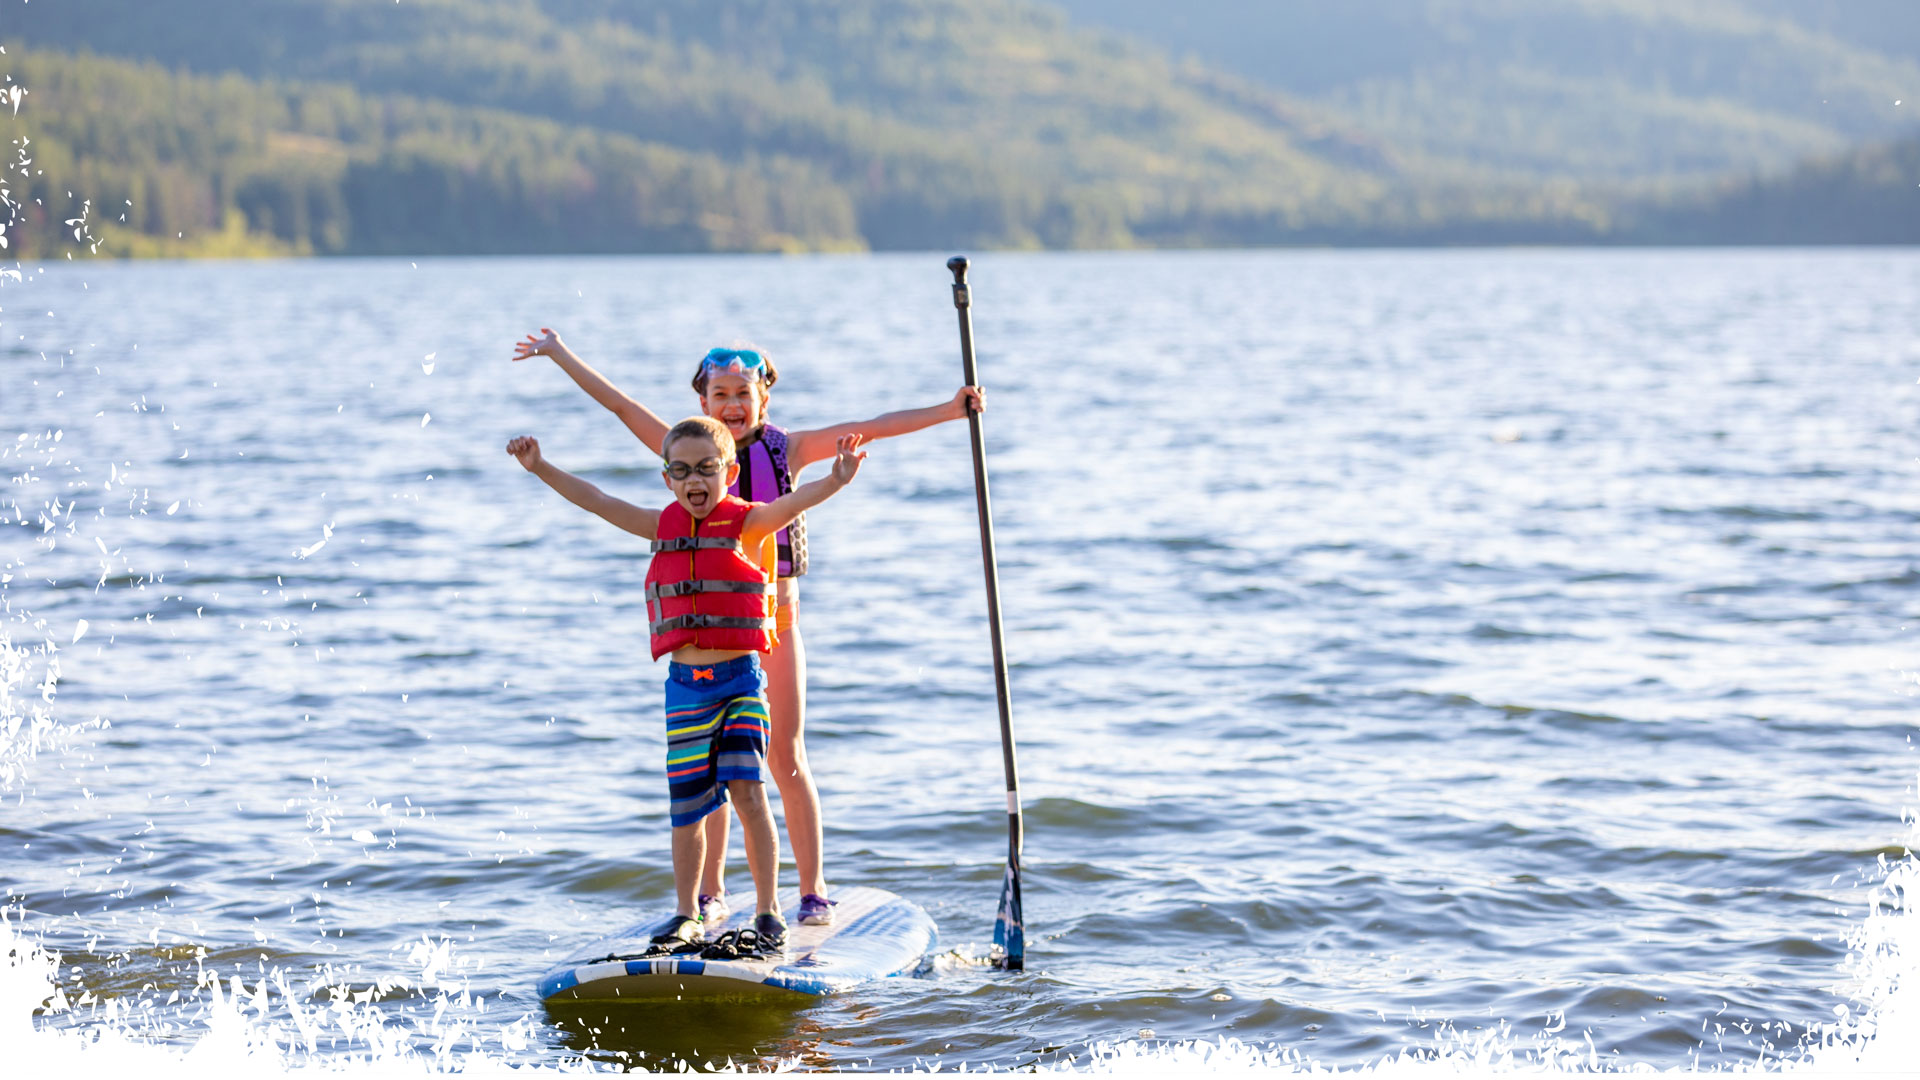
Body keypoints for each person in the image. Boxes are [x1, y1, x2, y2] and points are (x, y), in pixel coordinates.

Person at [511, 329, 981, 927]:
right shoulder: (684, 450)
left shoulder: (790, 449)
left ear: (764, 398)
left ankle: (810, 891)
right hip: (712, 637)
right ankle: (709, 894)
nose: (732, 404)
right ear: (702, 401)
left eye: (743, 392)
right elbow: (620, 407)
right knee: (715, 770)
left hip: (775, 619)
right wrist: (557, 353)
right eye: (720, 393)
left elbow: (877, 424)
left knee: (782, 757)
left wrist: (950, 409)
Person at [506, 416, 868, 956]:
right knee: (688, 809)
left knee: (748, 793)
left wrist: (837, 478)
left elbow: (794, 504)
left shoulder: (748, 525)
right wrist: (539, 467)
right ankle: (686, 912)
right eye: (681, 470)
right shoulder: (661, 526)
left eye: (706, 469)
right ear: (667, 478)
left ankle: (768, 911)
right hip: (684, 689)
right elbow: (597, 500)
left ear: (730, 471)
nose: (694, 480)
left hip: (740, 682)